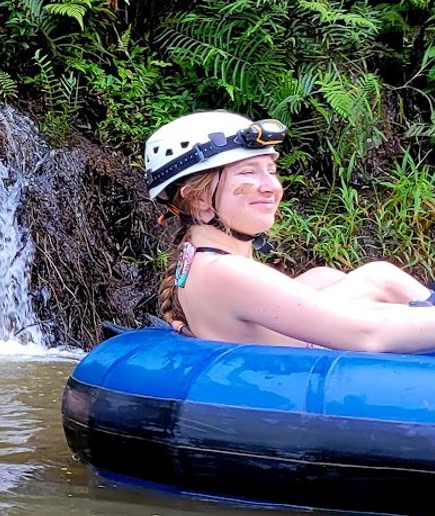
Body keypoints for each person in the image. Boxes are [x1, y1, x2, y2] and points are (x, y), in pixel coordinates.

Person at [145, 110, 435, 349]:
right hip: (294, 382)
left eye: (271, 170)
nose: (272, 187)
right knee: (379, 278)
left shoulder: (198, 259)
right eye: (248, 172)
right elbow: (368, 335)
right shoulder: (225, 272)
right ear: (196, 198)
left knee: (333, 276)